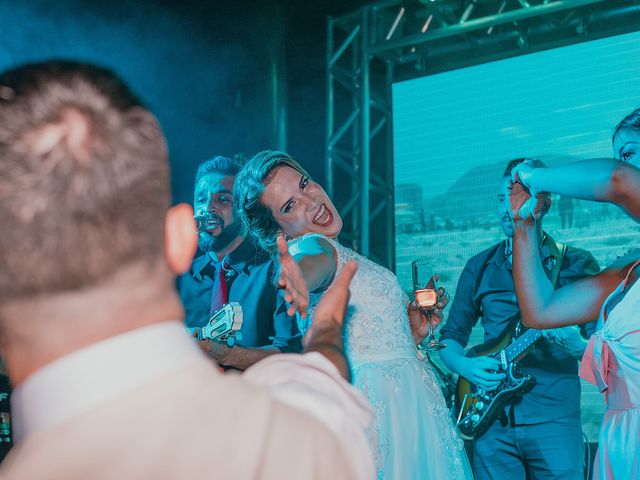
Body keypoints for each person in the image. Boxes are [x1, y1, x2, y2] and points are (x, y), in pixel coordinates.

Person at [0, 60, 374, 479]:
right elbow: (323, 408)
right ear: (179, 239)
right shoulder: (290, 440)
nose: (209, 209)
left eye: (222, 199)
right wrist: (326, 338)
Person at [234, 150, 473, 479]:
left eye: (304, 184)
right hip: (382, 410)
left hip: (409, 404)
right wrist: (297, 276)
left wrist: (412, 333)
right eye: (289, 206)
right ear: (280, 233)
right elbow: (311, 264)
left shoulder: (339, 249)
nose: (310, 200)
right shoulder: (315, 247)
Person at [438, 158, 600, 480]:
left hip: (554, 420)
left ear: (544, 203)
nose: (507, 208)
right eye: (501, 199)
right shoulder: (479, 266)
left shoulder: (576, 264)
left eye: (518, 198)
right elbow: (449, 339)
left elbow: (601, 350)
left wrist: (575, 345)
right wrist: (465, 366)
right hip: (491, 423)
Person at [509, 107, 640, 480]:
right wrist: (524, 224)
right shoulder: (629, 268)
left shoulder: (619, 179)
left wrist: (531, 174)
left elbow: (617, 180)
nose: (622, 165)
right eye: (620, 157)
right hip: (622, 443)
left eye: (629, 153)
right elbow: (541, 310)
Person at [178, 155, 301, 370]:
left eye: (222, 199)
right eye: (200, 199)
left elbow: (292, 355)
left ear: (243, 209)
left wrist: (230, 356)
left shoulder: (275, 271)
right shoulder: (179, 278)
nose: (207, 208)